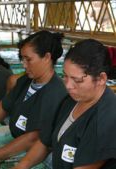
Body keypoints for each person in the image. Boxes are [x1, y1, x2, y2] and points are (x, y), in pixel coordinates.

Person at [12, 39, 116, 169]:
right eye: (65, 76)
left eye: (77, 80)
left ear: (101, 79)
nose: (68, 86)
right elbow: (45, 142)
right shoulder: (70, 100)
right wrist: (22, 165)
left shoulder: (107, 118)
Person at [0, 30, 68, 161]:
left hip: (36, 155)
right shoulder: (25, 81)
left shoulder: (56, 92)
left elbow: (32, 138)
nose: (24, 64)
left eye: (28, 59)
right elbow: (4, 105)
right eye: (22, 59)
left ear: (46, 57)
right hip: (16, 139)